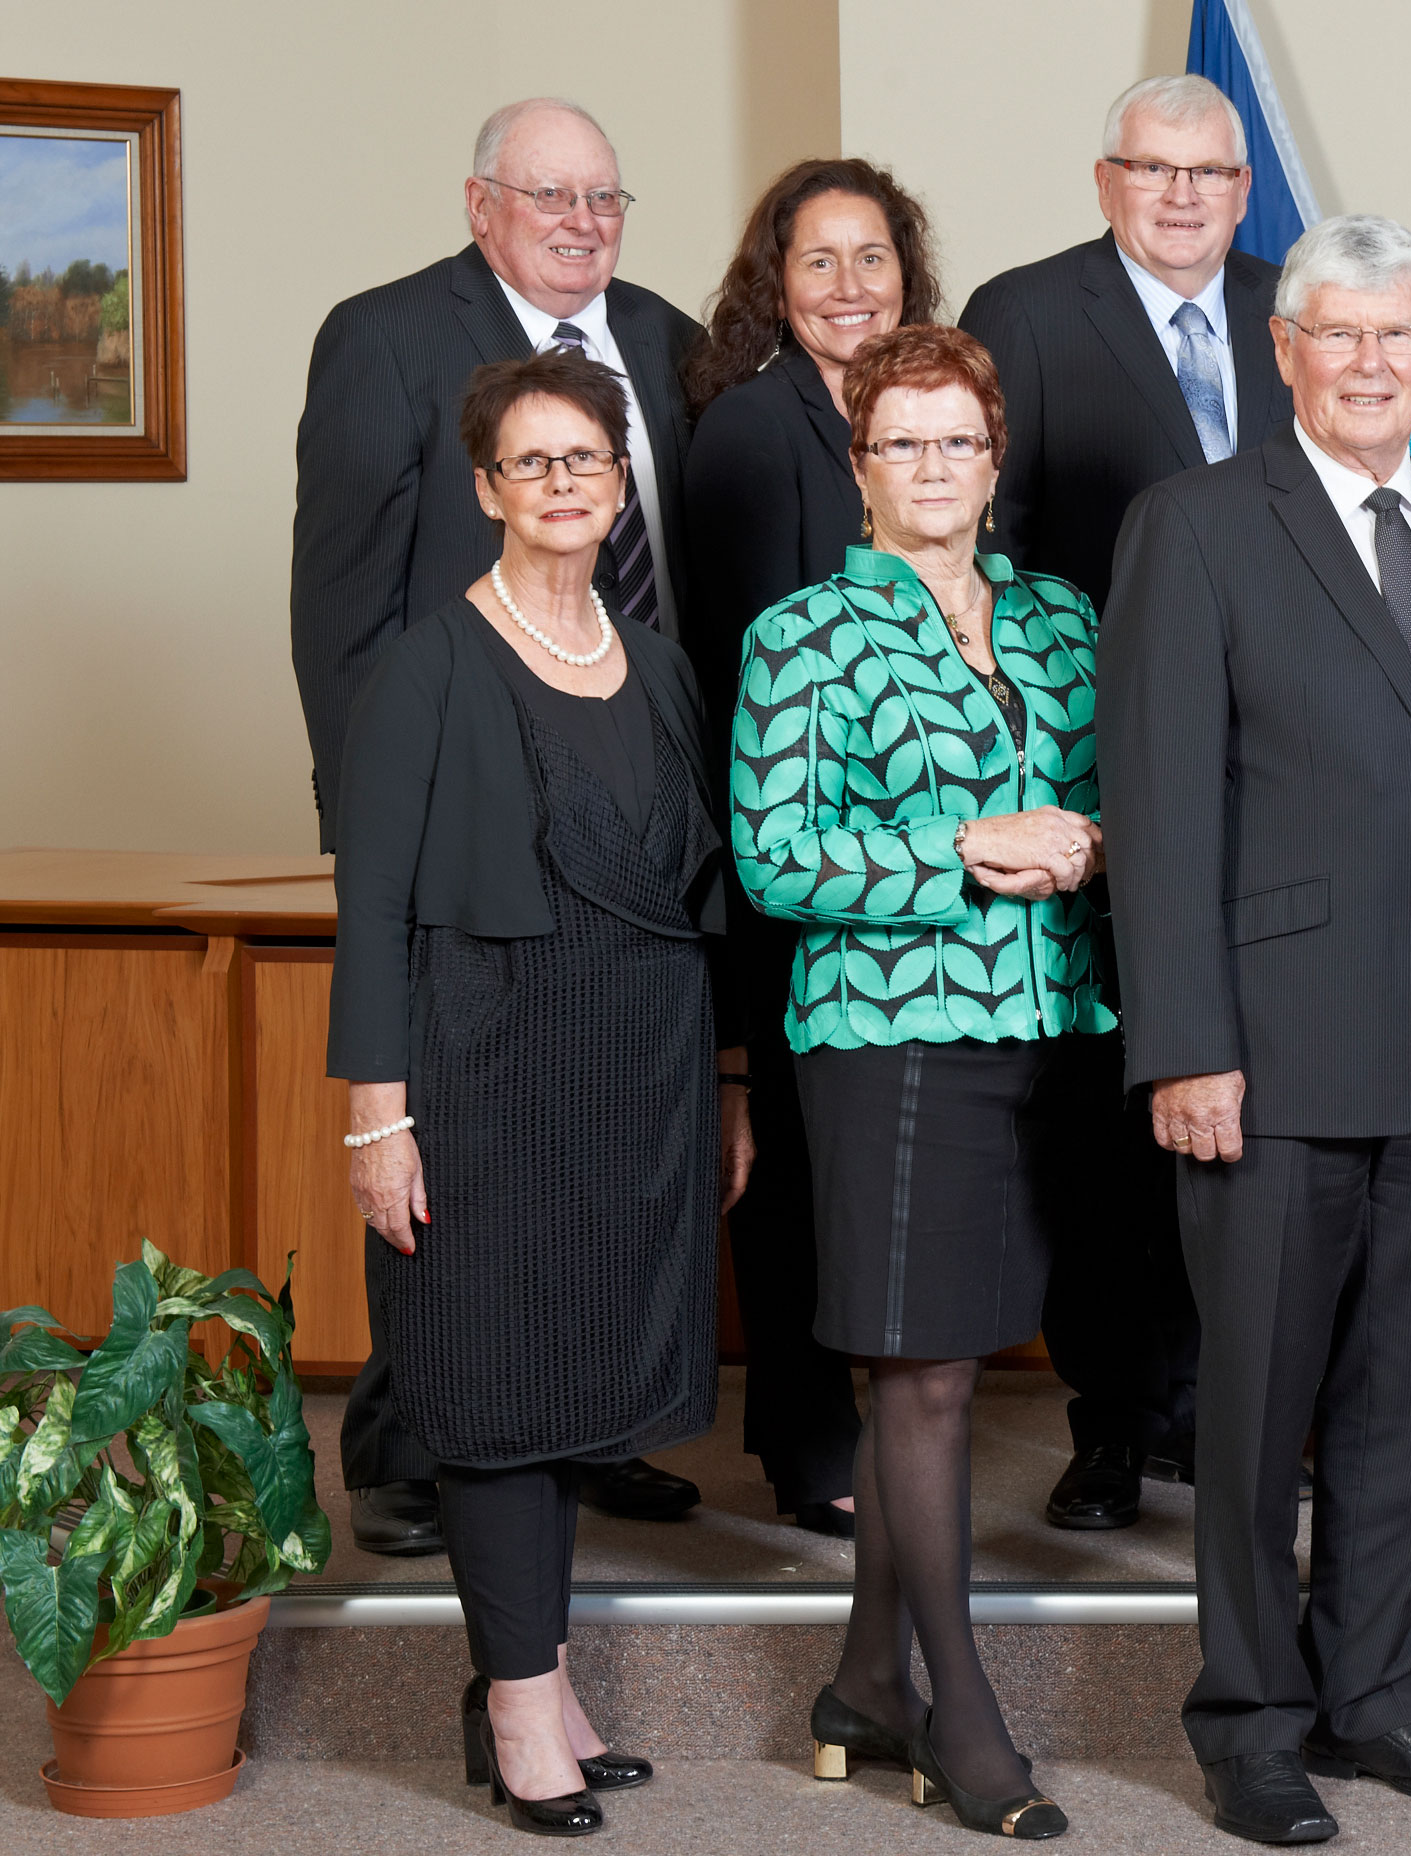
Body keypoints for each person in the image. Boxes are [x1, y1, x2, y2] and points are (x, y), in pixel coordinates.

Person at [1097, 214, 1411, 1847]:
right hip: (1269, 1053)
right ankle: (1250, 1720)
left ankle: (1376, 1698)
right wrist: (1182, 1044)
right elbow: (1152, 805)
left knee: (1404, 1400)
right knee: (1258, 1407)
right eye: (1338, 337)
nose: (1371, 366)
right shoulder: (1200, 525)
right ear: (1285, 349)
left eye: (1399, 340)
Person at [329, 349, 751, 1834]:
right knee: (498, 1383)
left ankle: (539, 1680)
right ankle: (515, 1710)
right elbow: (372, 901)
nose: (564, 484)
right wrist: (377, 1112)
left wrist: (729, 1082)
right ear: (487, 487)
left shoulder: (661, 662)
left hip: (637, 1067)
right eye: (534, 463)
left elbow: (699, 893)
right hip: (485, 1068)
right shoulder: (428, 662)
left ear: (620, 481)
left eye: (588, 460)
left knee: (575, 1383)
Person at [291, 96, 706, 1556]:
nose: (583, 221)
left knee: (593, 1149)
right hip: (457, 801)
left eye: (606, 196)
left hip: (621, 786)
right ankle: (415, 1443)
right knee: (456, 1162)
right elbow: (341, 609)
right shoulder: (385, 335)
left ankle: (588, 1423)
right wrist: (377, 841)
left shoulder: (660, 337)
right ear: (483, 206)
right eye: (551, 197)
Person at [730, 325, 1108, 1840]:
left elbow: (1116, 795)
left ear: (993, 460)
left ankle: (862, 1684)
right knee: (925, 1375)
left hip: (1052, 1025)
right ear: (861, 465)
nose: (934, 467)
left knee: (933, 1364)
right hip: (890, 1037)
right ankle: (963, 1711)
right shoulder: (803, 634)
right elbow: (775, 856)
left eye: (959, 441)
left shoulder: (1065, 620)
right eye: (904, 443)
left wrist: (1094, 840)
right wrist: (964, 847)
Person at [960, 74, 1289, 1532]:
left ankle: (1225, 1412)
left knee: (1257, 1102)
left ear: (1242, 188)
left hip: (1281, 774)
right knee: (1112, 1116)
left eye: (1209, 174)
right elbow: (990, 538)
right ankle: (1115, 1419)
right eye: (1153, 172)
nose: (1181, 197)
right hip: (1098, 765)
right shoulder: (1024, 314)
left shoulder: (1298, 310)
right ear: (1107, 182)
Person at [679, 156, 943, 1542]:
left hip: (918, 850)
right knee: (788, 1157)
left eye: (873, 259)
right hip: (800, 856)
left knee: (877, 1153)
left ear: (910, 274)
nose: (850, 288)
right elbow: (741, 678)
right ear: (773, 285)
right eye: (820, 263)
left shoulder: (923, 413)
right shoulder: (747, 430)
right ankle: (799, 1433)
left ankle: (883, 1410)